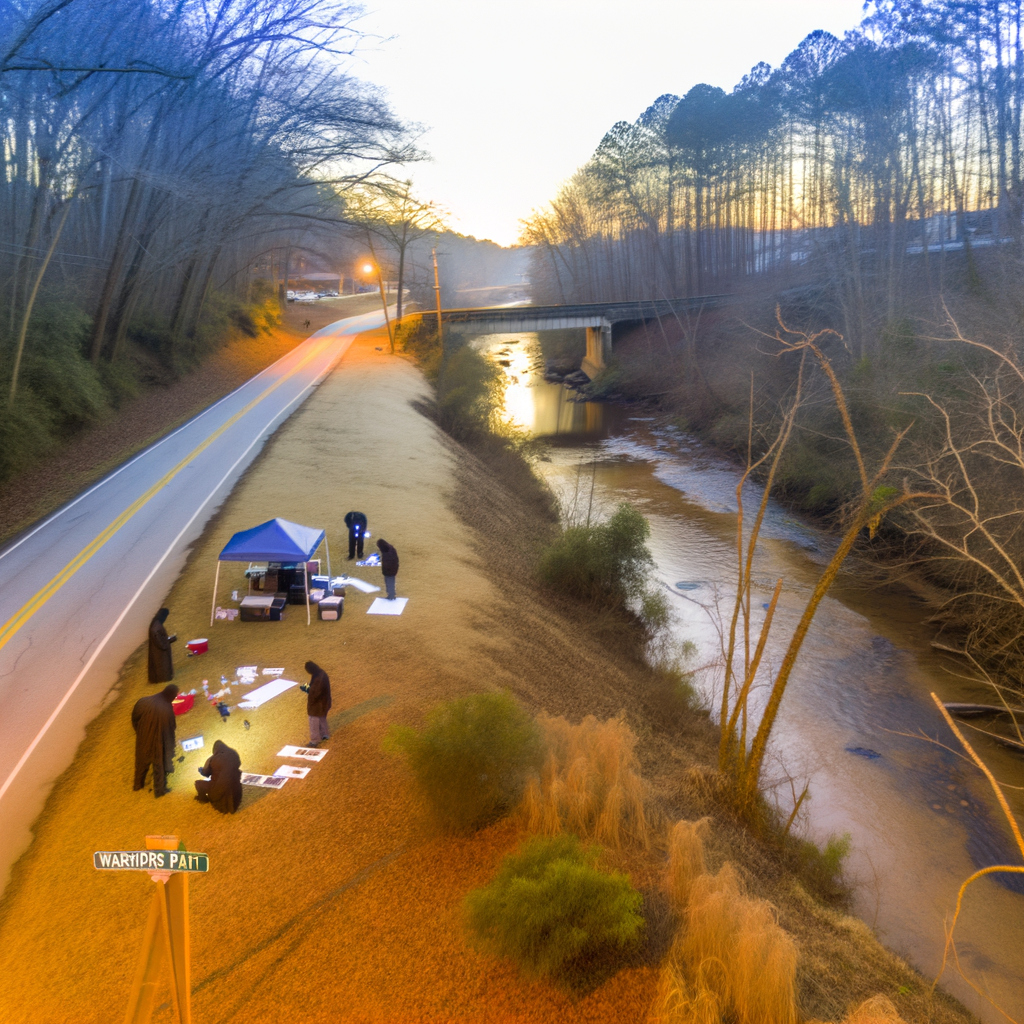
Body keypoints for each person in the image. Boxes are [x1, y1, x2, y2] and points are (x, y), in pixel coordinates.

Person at [131, 684, 178, 797]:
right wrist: (170, 746)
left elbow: (134, 718)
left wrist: (139, 732)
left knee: (141, 764)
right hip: (158, 742)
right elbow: (171, 728)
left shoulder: (143, 701)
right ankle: (159, 790)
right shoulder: (167, 709)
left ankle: (138, 785)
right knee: (159, 766)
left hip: (143, 740)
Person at [195, 740, 243, 813]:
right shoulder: (234, 754)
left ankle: (203, 799)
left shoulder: (212, 759)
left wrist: (201, 770)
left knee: (198, 784)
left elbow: (206, 773)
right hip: (236, 793)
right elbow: (238, 764)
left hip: (218, 793)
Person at [300, 660, 332, 747]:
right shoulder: (321, 673)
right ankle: (324, 734)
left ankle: (315, 740)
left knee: (313, 721)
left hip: (318, 705)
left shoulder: (318, 677)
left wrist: (307, 689)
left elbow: (315, 693)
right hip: (324, 703)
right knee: (322, 718)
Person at [148, 608, 176, 683]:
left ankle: (166, 677)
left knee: (163, 666)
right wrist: (170, 640)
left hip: (158, 652)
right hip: (160, 653)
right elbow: (162, 644)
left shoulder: (156, 624)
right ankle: (165, 678)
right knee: (163, 666)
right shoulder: (156, 628)